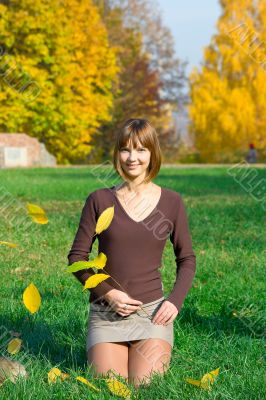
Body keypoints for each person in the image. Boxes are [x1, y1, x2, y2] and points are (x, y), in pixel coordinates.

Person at [67, 118, 196, 388]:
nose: (132, 157)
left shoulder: (172, 202)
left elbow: (186, 259)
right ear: (117, 154)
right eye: (125, 149)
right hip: (105, 313)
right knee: (112, 386)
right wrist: (109, 294)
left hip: (152, 314)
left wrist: (174, 301)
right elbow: (77, 259)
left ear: (152, 154)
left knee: (144, 386)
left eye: (141, 150)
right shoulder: (99, 200)